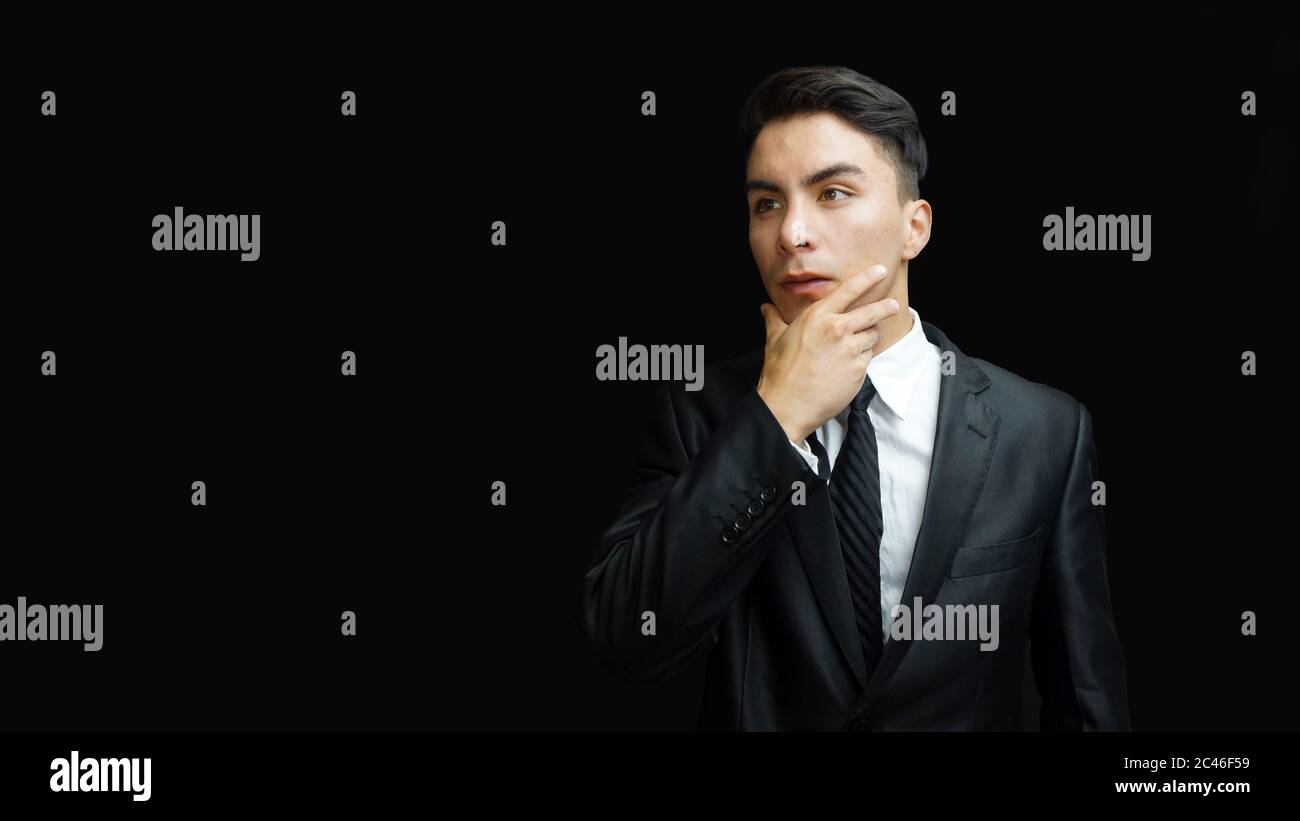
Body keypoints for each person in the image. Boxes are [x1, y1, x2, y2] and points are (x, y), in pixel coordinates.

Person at [580, 66, 1130, 731]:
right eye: (767, 204)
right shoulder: (701, 412)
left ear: (914, 227)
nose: (793, 234)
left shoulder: (1041, 430)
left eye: (833, 192)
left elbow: (1087, 699)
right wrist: (776, 415)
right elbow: (624, 638)